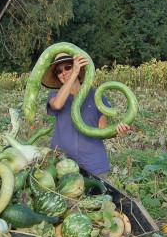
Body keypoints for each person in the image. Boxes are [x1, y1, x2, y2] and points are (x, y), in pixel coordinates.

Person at [42, 52, 130, 181]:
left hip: (93, 165)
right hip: (62, 164)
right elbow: (57, 105)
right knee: (67, 199)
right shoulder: (54, 96)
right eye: (59, 71)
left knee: (97, 200)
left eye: (68, 67)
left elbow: (102, 129)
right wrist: (73, 74)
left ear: (78, 68)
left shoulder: (97, 96)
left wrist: (117, 132)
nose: (64, 72)